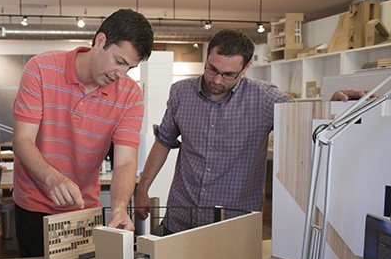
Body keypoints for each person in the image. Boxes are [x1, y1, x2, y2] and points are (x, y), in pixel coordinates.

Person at [134, 29, 369, 234]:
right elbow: (164, 141)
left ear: (246, 67)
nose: (216, 80)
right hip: (180, 218)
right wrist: (142, 189)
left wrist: (334, 105)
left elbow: (308, 123)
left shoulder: (265, 98)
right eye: (211, 69)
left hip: (233, 226)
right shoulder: (180, 93)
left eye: (228, 75)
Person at [12, 9, 154, 257]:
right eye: (119, 61)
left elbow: (126, 161)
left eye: (129, 68)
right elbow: (23, 141)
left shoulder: (131, 95)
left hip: (84, 209)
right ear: (100, 41)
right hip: (33, 205)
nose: (120, 74)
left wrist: (120, 206)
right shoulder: (41, 69)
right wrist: (52, 178)